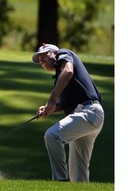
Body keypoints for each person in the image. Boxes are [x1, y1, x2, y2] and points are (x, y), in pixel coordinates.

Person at [32, 43, 104, 182]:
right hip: (87, 117)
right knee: (78, 175)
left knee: (52, 136)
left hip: (89, 112)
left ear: (54, 52)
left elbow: (68, 71)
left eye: (44, 55)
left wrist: (51, 100)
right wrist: (49, 109)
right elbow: (62, 105)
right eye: (39, 60)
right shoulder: (59, 79)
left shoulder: (64, 54)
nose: (41, 61)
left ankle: (60, 182)